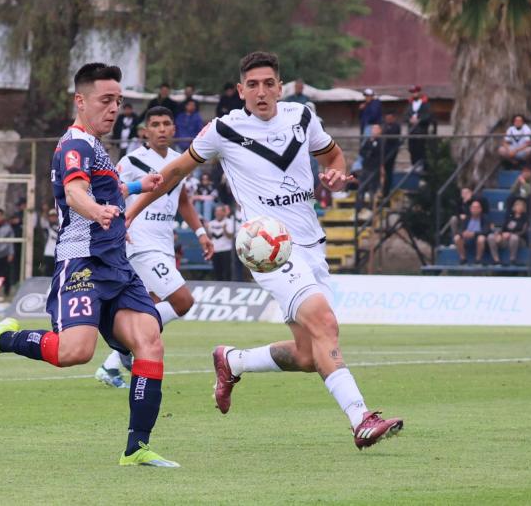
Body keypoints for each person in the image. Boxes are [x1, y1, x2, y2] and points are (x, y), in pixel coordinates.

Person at [126, 51, 402, 450]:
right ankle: (361, 418)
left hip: (310, 244)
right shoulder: (222, 129)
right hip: (268, 248)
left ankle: (233, 361)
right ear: (240, 90)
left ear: (280, 87)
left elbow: (332, 156)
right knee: (325, 324)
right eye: (252, 85)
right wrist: (131, 213)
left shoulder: (303, 117)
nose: (261, 92)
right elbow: (172, 174)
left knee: (309, 355)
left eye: (268, 83)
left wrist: (337, 176)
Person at [0, 62, 179, 467]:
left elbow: (107, 184)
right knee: (74, 353)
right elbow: (76, 191)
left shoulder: (95, 146)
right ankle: (4, 338)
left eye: (118, 100)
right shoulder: (74, 145)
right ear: (80, 101)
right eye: (105, 100)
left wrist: (137, 186)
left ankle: (137, 447)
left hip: (116, 265)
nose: (114, 108)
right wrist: (96, 211)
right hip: (81, 262)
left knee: (150, 340)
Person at [94, 105, 214, 388]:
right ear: (145, 131)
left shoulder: (178, 161)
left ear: (174, 129)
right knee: (183, 302)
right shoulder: (133, 160)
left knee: (151, 308)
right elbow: (112, 194)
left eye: (166, 124)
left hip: (163, 244)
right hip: (139, 243)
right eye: (155, 125)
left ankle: (111, 365)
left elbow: (182, 200)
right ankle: (124, 344)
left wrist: (200, 233)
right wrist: (117, 227)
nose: (161, 129)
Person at [487, 198, 528, 266]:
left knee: (514, 238)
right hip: (506, 239)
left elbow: (523, 232)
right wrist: (499, 234)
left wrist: (510, 234)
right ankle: (496, 260)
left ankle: (512, 259)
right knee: (491, 237)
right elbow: (503, 228)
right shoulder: (509, 216)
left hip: (519, 240)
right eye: (517, 205)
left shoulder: (525, 218)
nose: (518, 207)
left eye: (520, 206)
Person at [354, 124, 384, 216]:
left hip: (374, 168)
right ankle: (359, 206)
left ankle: (372, 207)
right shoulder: (368, 141)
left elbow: (378, 153)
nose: (373, 131)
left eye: (376, 129)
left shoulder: (381, 141)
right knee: (361, 187)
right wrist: (368, 152)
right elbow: (362, 151)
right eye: (373, 129)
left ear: (380, 131)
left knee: (372, 189)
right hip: (366, 167)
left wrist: (370, 152)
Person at [402, 84, 432, 171]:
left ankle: (421, 165)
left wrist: (419, 120)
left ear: (419, 92)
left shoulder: (426, 104)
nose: (413, 94)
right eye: (412, 92)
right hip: (412, 130)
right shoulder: (409, 104)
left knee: (420, 148)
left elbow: (428, 116)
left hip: (421, 130)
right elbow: (405, 116)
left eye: (415, 92)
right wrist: (409, 119)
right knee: (412, 148)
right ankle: (413, 164)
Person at [453, 200, 492, 265]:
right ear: (470, 209)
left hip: (479, 239)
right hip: (466, 239)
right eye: (473, 207)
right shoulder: (467, 218)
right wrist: (463, 233)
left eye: (477, 207)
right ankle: (463, 258)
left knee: (481, 238)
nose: (475, 209)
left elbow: (486, 230)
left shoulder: (485, 218)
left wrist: (474, 234)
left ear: (480, 209)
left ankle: (478, 260)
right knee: (456, 238)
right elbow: (459, 229)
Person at [208, 204, 234, 281]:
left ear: (224, 213)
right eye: (216, 212)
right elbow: (209, 237)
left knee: (227, 272)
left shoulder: (229, 222)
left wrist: (225, 229)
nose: (217, 214)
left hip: (226, 250)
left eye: (219, 212)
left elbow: (230, 236)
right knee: (217, 272)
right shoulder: (211, 223)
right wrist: (206, 229)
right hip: (215, 250)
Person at [381, 114, 401, 197]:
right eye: (387, 119)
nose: (388, 120)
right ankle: (382, 191)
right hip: (383, 153)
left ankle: (386, 192)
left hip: (391, 152)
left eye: (389, 118)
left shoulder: (396, 126)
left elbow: (393, 137)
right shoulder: (384, 126)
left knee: (388, 173)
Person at [9, 197, 26, 285]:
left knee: (24, 262)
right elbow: (12, 221)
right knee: (15, 263)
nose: (23, 207)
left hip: (26, 242)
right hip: (16, 242)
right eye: (21, 205)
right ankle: (14, 281)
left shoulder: (28, 215)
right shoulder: (16, 214)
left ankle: (23, 279)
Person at [41, 208, 59, 277]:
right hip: (48, 253)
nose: (53, 218)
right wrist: (44, 209)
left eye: (55, 216)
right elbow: (42, 221)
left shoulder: (61, 226)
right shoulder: (47, 226)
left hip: (58, 254)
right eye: (51, 216)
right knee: (47, 273)